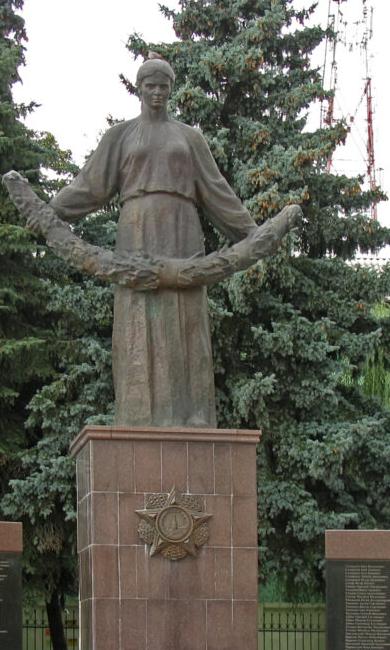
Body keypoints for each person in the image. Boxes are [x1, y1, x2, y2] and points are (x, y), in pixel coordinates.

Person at [47, 57, 261, 429]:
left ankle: (194, 413)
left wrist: (251, 233)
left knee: (187, 317)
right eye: (151, 86)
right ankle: (138, 413)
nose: (158, 93)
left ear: (171, 89)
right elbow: (90, 186)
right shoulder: (121, 135)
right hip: (137, 228)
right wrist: (49, 213)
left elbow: (216, 192)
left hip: (182, 228)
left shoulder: (189, 138)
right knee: (138, 315)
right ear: (139, 89)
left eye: (164, 86)